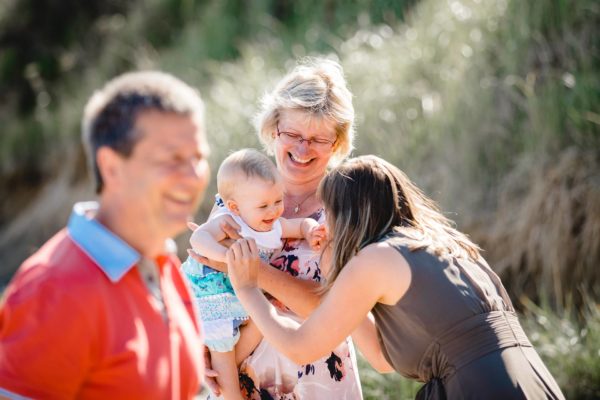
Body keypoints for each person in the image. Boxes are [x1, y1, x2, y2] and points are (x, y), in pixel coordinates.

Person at [227, 155, 566, 400]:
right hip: (530, 382)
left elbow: (301, 348)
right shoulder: (445, 246)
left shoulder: (375, 259)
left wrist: (248, 286)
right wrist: (334, 273)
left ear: (348, 214)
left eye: (327, 212)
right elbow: (381, 358)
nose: (323, 224)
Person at [0, 71, 209, 399]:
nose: (194, 176)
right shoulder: (55, 289)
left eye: (199, 157)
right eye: (173, 159)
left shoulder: (165, 266)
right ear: (111, 167)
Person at [196, 58, 366, 399]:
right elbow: (206, 284)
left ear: (336, 143)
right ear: (273, 129)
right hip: (241, 383)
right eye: (292, 133)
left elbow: (335, 312)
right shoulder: (237, 193)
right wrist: (202, 349)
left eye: (319, 139)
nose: (303, 149)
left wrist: (251, 272)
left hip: (315, 384)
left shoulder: (344, 210)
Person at [182, 148, 325, 400]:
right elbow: (199, 237)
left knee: (263, 322)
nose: (273, 211)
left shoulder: (272, 223)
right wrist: (227, 257)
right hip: (214, 292)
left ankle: (222, 377)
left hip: (244, 294)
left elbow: (299, 226)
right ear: (236, 207)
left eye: (278, 201)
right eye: (264, 205)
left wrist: (311, 229)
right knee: (222, 348)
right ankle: (230, 394)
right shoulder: (231, 221)